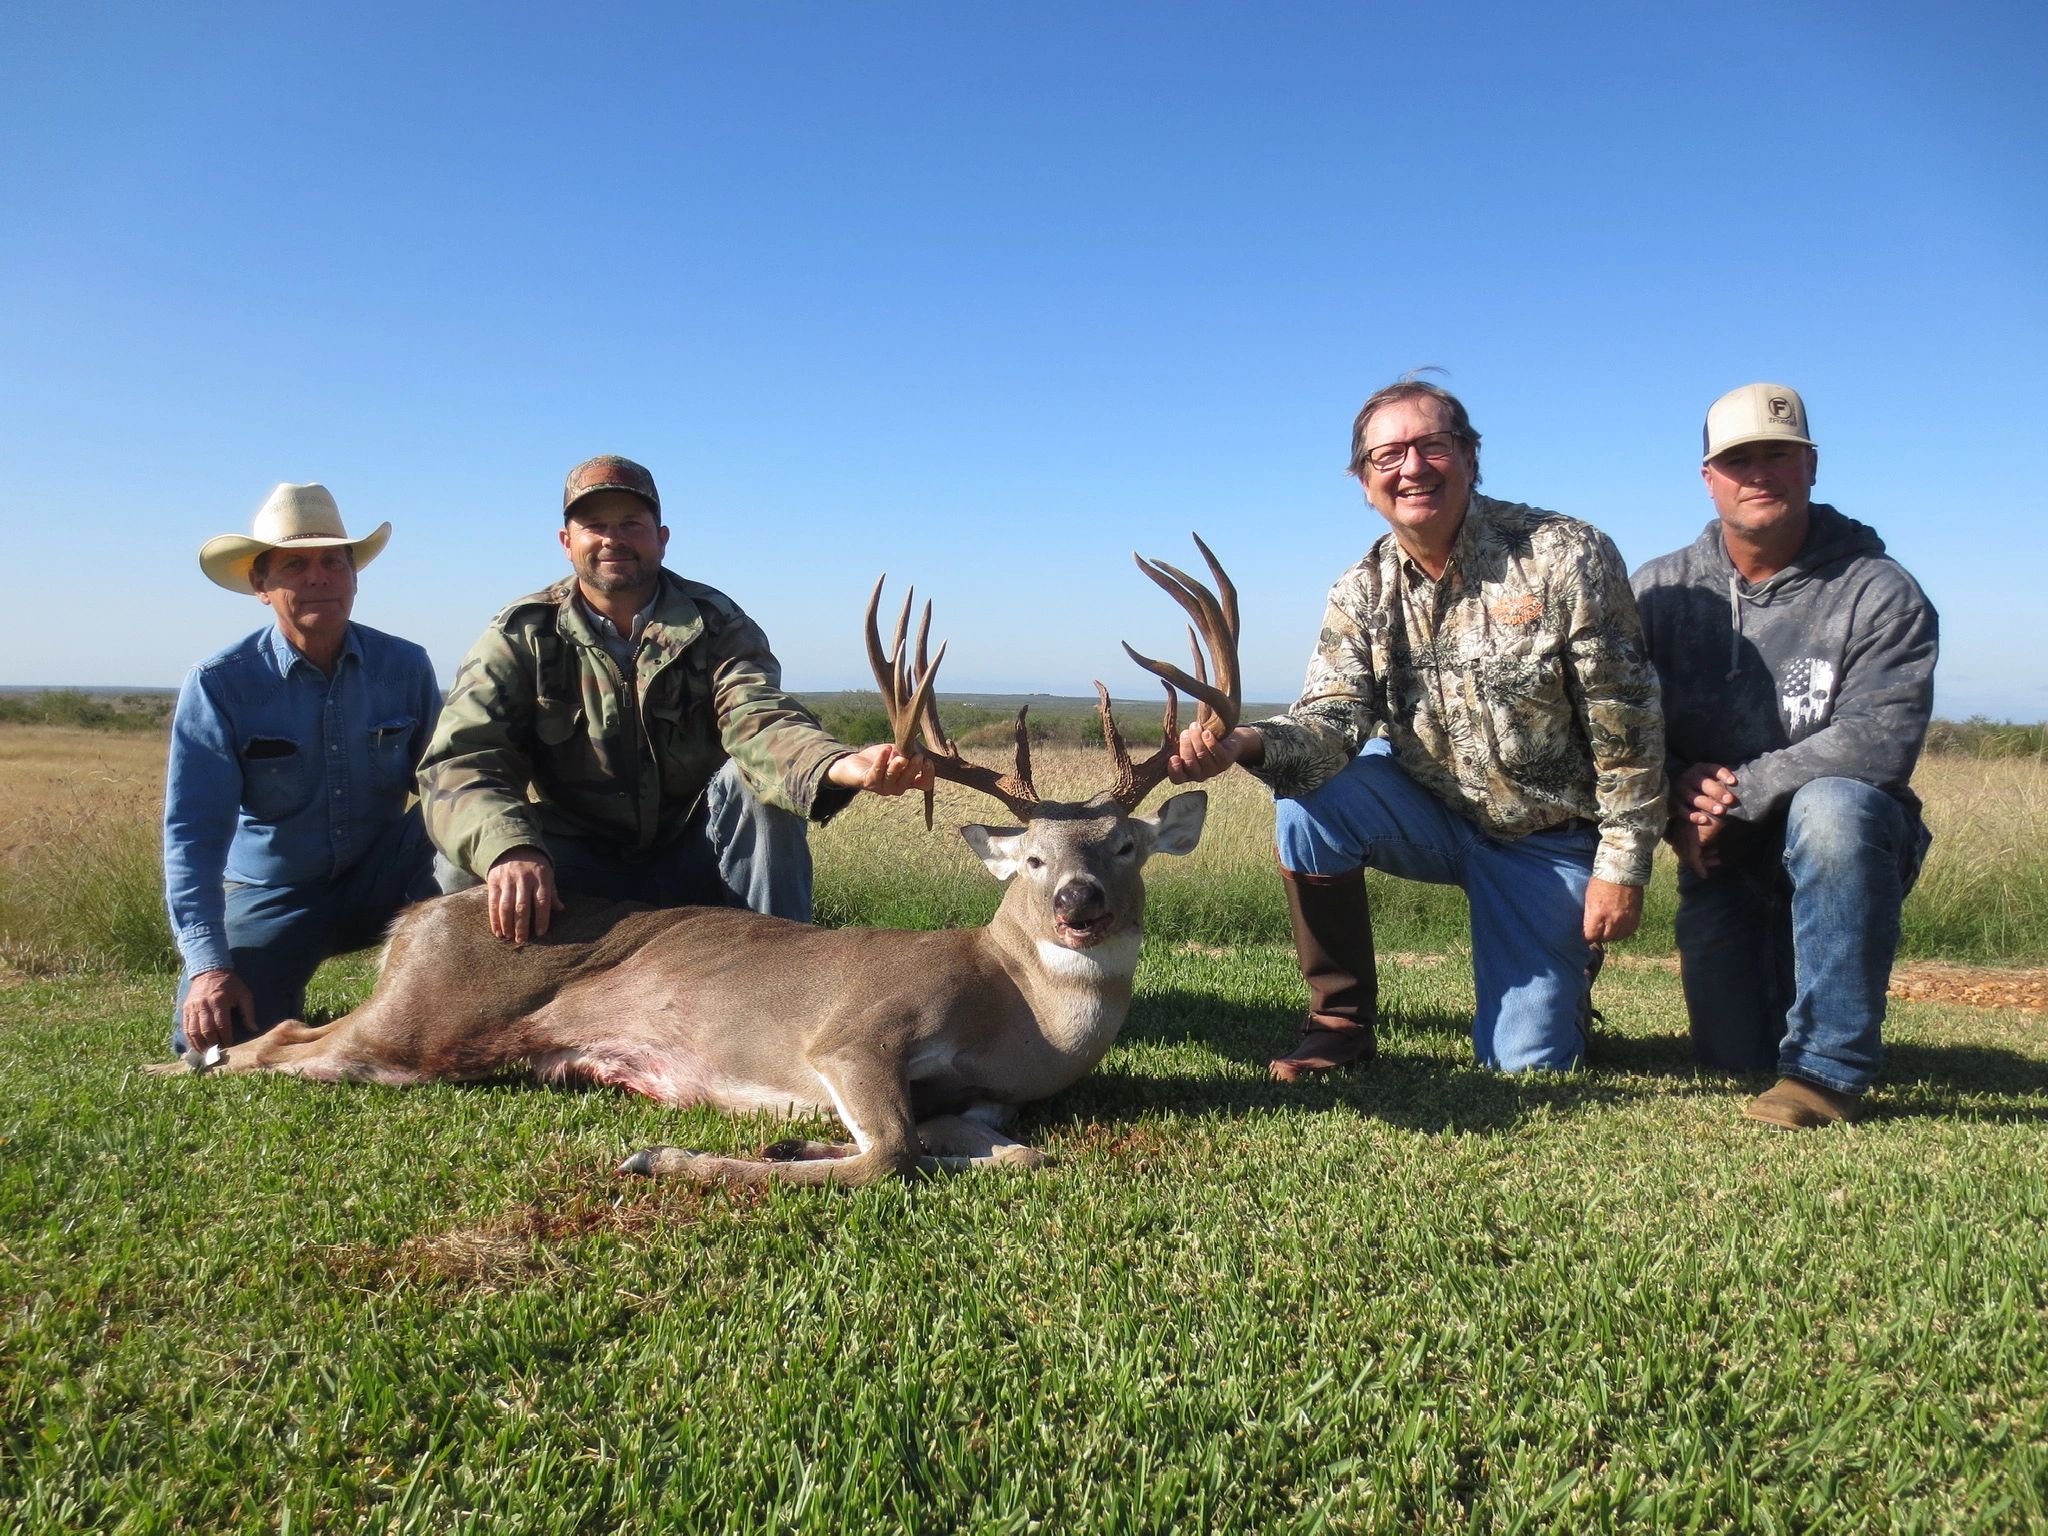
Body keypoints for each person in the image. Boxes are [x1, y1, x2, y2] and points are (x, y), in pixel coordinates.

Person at [1171, 379, 1665, 1077]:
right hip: (1432, 815)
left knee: (1525, 1068)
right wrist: (1242, 744)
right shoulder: (1361, 589)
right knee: (1310, 805)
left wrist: (1621, 867)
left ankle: (1563, 978)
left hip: (1545, 841)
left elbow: (1628, 724)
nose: (1411, 467)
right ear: (1363, 480)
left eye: (1432, 446)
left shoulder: (1563, 555)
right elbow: (1332, 719)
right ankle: (1339, 1022)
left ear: (1469, 456)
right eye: (1389, 455)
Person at [418, 454, 929, 943]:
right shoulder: (521, 634)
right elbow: (462, 762)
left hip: (696, 854)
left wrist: (837, 764)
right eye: (595, 525)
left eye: (631, 524)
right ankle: (456, 1017)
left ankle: (783, 988)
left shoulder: (716, 622)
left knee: (760, 796)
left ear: (661, 538)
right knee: (471, 858)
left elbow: (757, 716)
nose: (613, 539)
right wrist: (510, 848)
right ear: (566, 541)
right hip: (578, 862)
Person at [1632, 384, 1937, 1128]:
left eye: (1779, 455)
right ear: (1709, 478)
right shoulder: (1657, 592)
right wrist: (1675, 791)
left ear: (1811, 466)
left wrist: (1737, 791)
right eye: (1739, 460)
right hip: (1720, 857)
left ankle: (1825, 1073)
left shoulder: (1881, 592)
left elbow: (1878, 739)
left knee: (1832, 807)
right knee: (1730, 1055)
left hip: (1847, 835)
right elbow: (1620, 726)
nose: (1759, 474)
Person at [165, 483, 441, 1057]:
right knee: (213, 1047)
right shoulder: (221, 684)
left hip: (381, 878)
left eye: (332, 562)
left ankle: (458, 988)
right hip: (274, 892)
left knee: (459, 821)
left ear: (353, 577)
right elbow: (192, 834)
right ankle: (267, 985)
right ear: (260, 585)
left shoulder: (405, 666)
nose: (319, 577)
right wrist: (209, 967)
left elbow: (448, 780)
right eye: (295, 565)